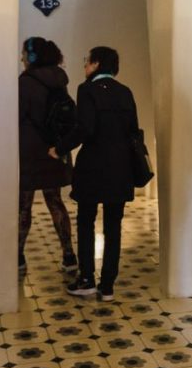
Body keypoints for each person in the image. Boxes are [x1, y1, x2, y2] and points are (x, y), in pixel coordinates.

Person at [54, 46, 141, 301]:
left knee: (86, 221)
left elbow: (85, 129)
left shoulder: (87, 90)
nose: (85, 66)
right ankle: (108, 286)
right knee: (113, 226)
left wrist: (59, 148)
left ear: (97, 64)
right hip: (121, 169)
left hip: (93, 167)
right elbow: (133, 130)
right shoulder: (125, 92)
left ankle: (86, 279)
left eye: (87, 61)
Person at [18, 37, 77, 273]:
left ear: (32, 56)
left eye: (24, 53)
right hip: (56, 150)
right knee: (55, 202)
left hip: (29, 153)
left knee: (24, 206)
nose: (21, 58)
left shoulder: (25, 82)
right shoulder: (59, 80)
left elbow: (17, 116)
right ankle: (69, 255)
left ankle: (18, 257)